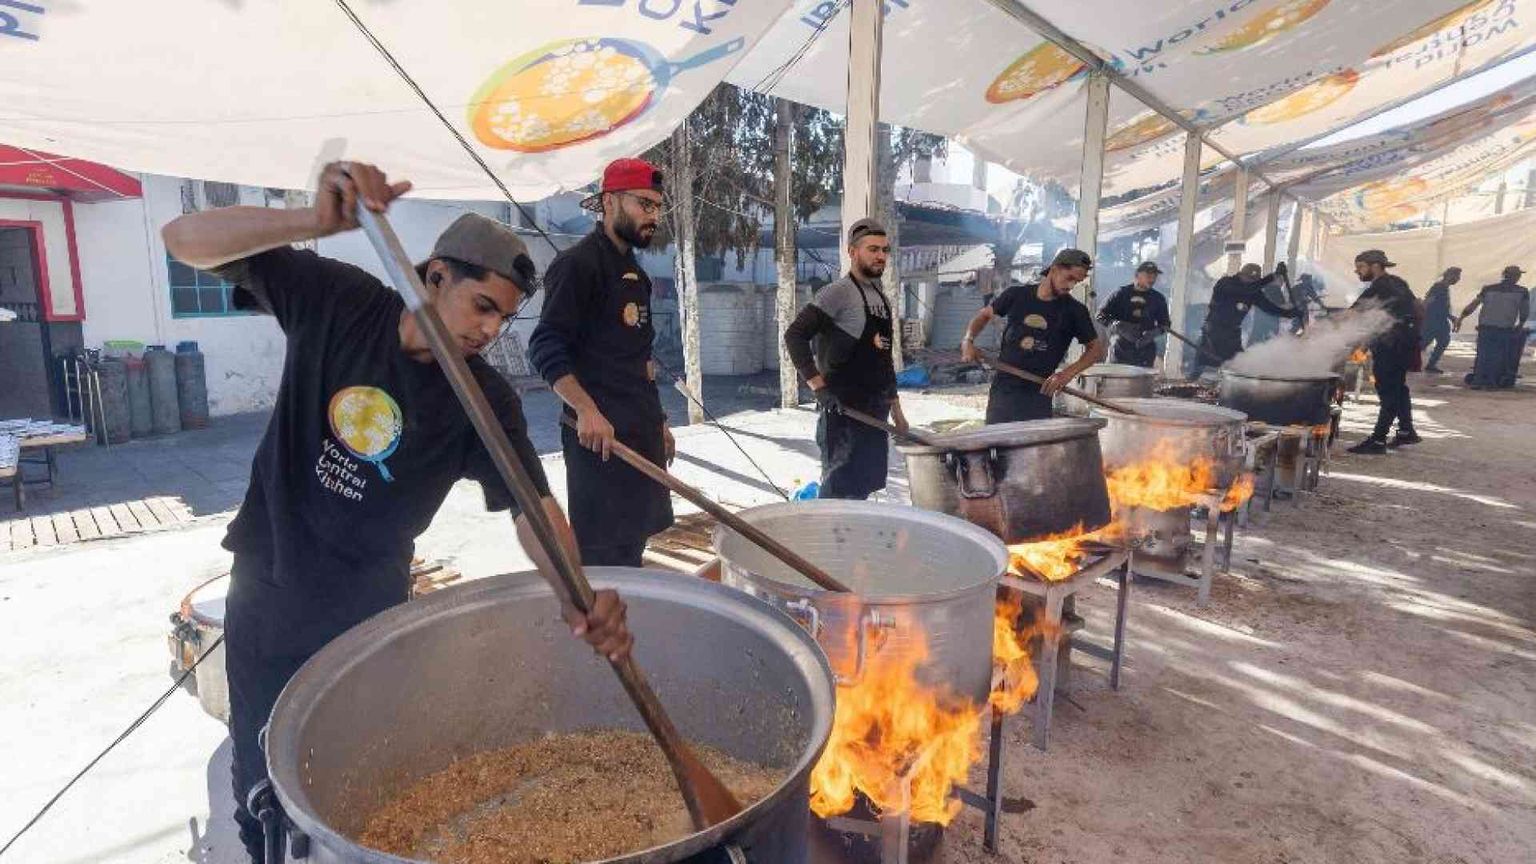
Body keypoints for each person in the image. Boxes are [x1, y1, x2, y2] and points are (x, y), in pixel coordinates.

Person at [162, 161, 633, 863]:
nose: (490, 329)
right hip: (269, 594)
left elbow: (534, 509)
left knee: (358, 790)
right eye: (482, 305)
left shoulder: (483, 400)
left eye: (503, 317)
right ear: (434, 275)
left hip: (370, 617)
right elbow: (183, 239)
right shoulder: (341, 303)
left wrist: (579, 595)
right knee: (262, 790)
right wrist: (312, 223)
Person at [528, 158, 675, 566]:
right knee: (602, 562)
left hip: (640, 435)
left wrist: (658, 420)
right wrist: (586, 409)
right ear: (609, 202)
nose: (654, 217)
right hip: (601, 443)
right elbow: (544, 346)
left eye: (658, 208)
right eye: (644, 204)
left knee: (633, 551)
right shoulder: (578, 266)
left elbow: (640, 360)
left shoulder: (636, 276)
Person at [784, 217, 909, 500]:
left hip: (875, 415)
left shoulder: (881, 298)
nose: (880, 256)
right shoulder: (837, 293)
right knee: (838, 494)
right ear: (852, 252)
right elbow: (795, 335)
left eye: (884, 250)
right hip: (843, 415)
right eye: (873, 249)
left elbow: (884, 360)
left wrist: (898, 412)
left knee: (863, 489)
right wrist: (819, 388)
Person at [960, 248, 1106, 422]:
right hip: (1004, 388)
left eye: (1077, 281)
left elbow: (1095, 349)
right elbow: (983, 315)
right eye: (1069, 278)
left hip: (1039, 392)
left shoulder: (1075, 311)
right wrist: (968, 340)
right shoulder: (1016, 295)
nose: (1071, 286)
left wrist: (1066, 374)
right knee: (996, 445)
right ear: (1054, 269)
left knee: (1033, 448)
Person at [1346, 250, 1421, 454]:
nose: (1357, 271)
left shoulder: (1380, 285)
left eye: (1361, 266)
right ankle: (1406, 431)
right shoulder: (1398, 282)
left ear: (1375, 266)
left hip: (1391, 343)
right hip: (1405, 341)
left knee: (1388, 391)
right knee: (1398, 388)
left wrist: (1320, 327)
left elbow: (1352, 314)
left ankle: (1378, 440)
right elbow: (1418, 306)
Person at [1196, 262, 1300, 373]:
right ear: (1241, 275)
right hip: (1214, 331)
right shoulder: (1226, 283)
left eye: (1254, 281)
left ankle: (1229, 385)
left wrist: (1290, 313)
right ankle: (1194, 379)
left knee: (1238, 364)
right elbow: (1245, 290)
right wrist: (1273, 276)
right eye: (1249, 279)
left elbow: (1269, 307)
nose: (1252, 282)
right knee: (1205, 362)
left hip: (1232, 333)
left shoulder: (1253, 291)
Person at [1456, 265, 1530, 389]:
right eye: (1518, 275)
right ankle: (1490, 382)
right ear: (1516, 276)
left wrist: (1461, 318)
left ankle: (1478, 381)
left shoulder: (1488, 289)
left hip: (1485, 327)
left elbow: (1473, 305)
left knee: (1482, 355)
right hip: (1504, 329)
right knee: (1498, 356)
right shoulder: (1522, 291)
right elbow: (1524, 310)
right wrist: (1520, 325)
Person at [1096, 261, 1170, 368]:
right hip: (1120, 346)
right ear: (1137, 275)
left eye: (1154, 276)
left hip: (1145, 350)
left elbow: (1165, 324)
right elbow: (1100, 315)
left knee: (1142, 382)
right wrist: (1117, 326)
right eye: (1148, 276)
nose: (1152, 279)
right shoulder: (1121, 294)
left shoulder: (1158, 298)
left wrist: (1153, 333)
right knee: (1117, 380)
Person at [1421, 266, 1460, 374]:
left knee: (1440, 341)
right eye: (1457, 276)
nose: (1458, 279)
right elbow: (1428, 302)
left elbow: (1442, 306)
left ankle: (1430, 365)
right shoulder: (1439, 287)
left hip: (1440, 320)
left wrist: (1451, 317)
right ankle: (1409, 363)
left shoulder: (1444, 287)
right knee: (1424, 342)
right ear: (1450, 275)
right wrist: (1422, 317)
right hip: (1433, 320)